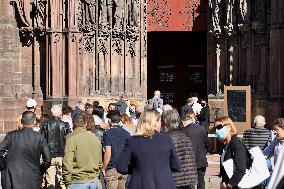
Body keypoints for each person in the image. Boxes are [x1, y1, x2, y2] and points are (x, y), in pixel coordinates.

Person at [116, 108, 180, 189]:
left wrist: (136, 168)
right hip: (165, 184)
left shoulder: (132, 141)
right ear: (155, 123)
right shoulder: (166, 139)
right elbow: (176, 166)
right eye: (160, 121)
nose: (161, 124)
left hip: (140, 183)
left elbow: (121, 167)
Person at [0, 111, 51, 189]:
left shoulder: (11, 135)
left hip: (12, 177)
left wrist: (4, 166)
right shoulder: (39, 137)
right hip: (33, 177)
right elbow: (47, 159)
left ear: (21, 121)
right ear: (34, 122)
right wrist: (40, 170)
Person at [62, 112, 102, 189]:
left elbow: (67, 163)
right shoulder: (96, 139)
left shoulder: (71, 139)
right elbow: (99, 162)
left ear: (73, 123)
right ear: (86, 124)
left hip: (77, 181)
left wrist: (67, 182)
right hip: (93, 181)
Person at [162, 109, 198, 189]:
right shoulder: (184, 137)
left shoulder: (166, 139)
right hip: (189, 180)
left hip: (175, 180)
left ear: (166, 123)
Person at [215, 116, 251, 189]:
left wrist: (229, 185)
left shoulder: (236, 144)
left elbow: (241, 169)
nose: (217, 130)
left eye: (219, 127)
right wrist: (223, 182)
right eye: (215, 128)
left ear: (229, 127)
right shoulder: (226, 145)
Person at [41, 104, 70, 189]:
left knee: (50, 182)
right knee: (63, 181)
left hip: (49, 155)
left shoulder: (45, 125)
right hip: (62, 155)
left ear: (51, 113)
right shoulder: (65, 125)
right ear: (60, 113)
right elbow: (69, 140)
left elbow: (41, 140)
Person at [102, 110, 130, 189]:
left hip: (112, 168)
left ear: (109, 120)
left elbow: (108, 153)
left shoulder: (107, 133)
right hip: (124, 168)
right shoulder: (126, 133)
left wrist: (104, 167)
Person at [182, 112, 209, 189]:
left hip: (189, 162)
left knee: (190, 184)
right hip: (201, 160)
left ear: (184, 121)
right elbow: (207, 144)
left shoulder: (183, 131)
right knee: (201, 182)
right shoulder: (202, 128)